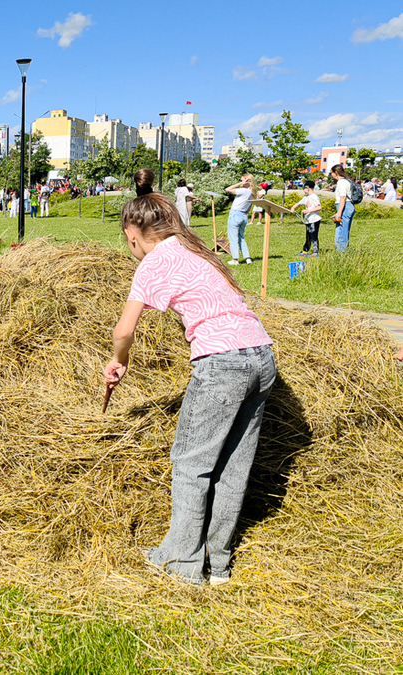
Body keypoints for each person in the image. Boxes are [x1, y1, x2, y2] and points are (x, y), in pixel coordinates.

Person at [105, 192, 275, 586]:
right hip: (262, 357)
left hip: (222, 364)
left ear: (132, 233)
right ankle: (218, 565)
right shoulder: (194, 249)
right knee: (232, 466)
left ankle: (182, 564)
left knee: (190, 463)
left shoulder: (155, 261)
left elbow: (124, 330)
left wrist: (120, 360)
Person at [225, 174, 257, 265]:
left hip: (235, 214)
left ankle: (235, 259)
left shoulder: (243, 191)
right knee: (241, 237)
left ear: (247, 181)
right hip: (244, 215)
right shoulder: (252, 192)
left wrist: (240, 183)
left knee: (233, 238)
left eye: (243, 180)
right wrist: (246, 214)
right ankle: (247, 258)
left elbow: (228, 189)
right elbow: (250, 205)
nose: (241, 182)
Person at [289, 180, 322, 256]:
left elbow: (319, 207)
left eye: (303, 188)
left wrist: (308, 211)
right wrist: (293, 208)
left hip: (314, 220)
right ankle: (305, 251)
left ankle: (315, 252)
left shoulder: (314, 197)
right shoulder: (306, 197)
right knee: (308, 236)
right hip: (308, 220)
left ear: (308, 188)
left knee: (313, 236)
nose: (303, 190)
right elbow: (299, 203)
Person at [329, 164, 355, 253]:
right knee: (342, 229)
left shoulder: (341, 182)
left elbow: (343, 197)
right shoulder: (347, 181)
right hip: (347, 206)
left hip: (344, 206)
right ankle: (340, 250)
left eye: (332, 173)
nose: (331, 175)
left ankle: (342, 252)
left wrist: (339, 212)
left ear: (336, 172)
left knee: (342, 231)